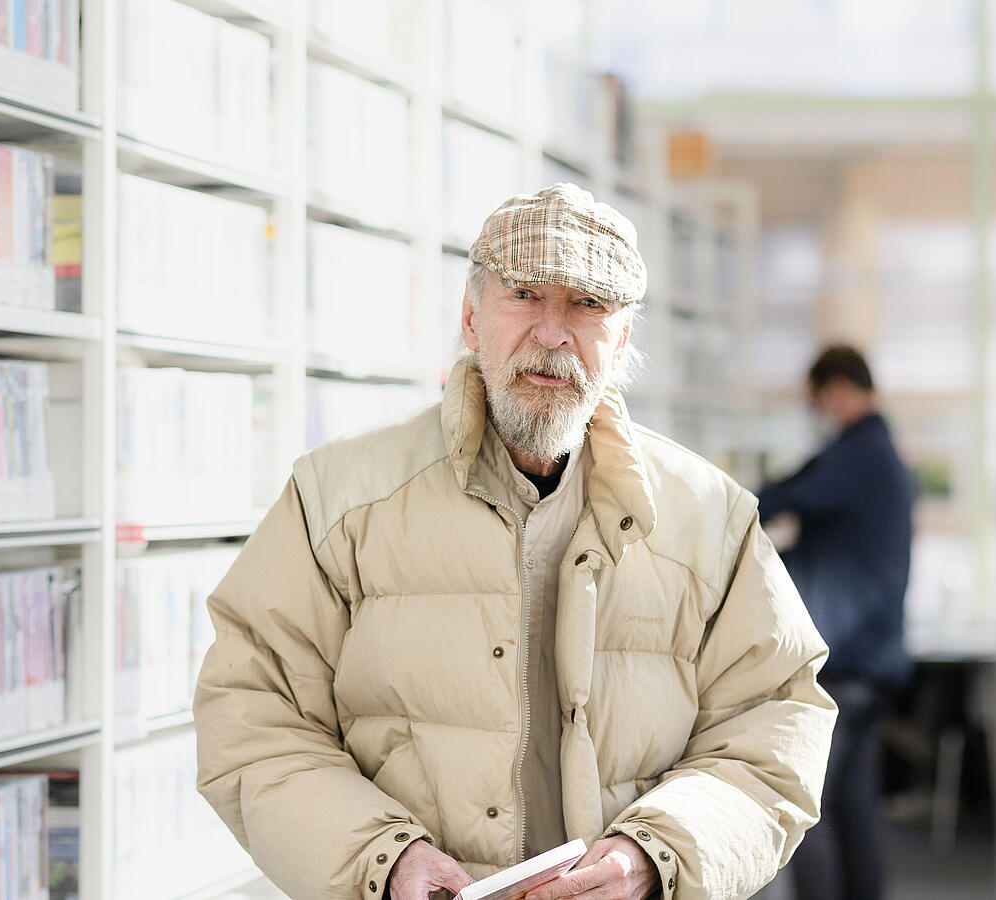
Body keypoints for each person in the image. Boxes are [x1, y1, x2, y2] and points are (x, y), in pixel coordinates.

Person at [194, 183, 835, 900]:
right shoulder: (339, 500)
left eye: (588, 305)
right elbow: (252, 713)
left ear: (622, 339)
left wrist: (653, 856)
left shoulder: (710, 520)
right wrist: (381, 859)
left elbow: (775, 725)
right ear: (471, 317)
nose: (554, 334)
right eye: (525, 294)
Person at [756, 346, 915, 900]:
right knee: (854, 808)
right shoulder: (884, 456)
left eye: (818, 402)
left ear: (838, 390)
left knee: (809, 814)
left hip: (843, 663)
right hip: (874, 664)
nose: (819, 414)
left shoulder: (856, 455)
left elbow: (775, 496)